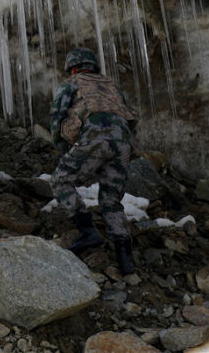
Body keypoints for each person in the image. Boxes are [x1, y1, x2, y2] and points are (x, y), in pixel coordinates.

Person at [50, 47, 138, 273]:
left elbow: (57, 118)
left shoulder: (73, 84)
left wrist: (63, 150)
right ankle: (124, 256)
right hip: (122, 142)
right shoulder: (111, 86)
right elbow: (129, 117)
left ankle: (87, 231)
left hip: (94, 138)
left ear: (74, 67)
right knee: (111, 199)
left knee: (60, 180)